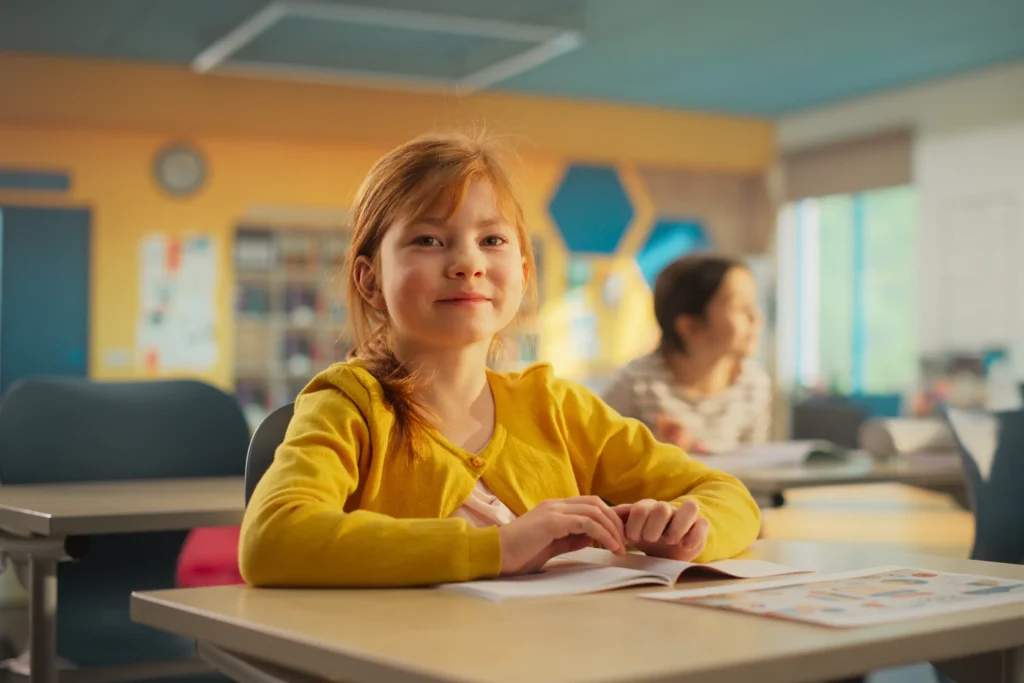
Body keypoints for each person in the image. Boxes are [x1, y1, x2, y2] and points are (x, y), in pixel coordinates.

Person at [239, 132, 760, 588]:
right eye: (428, 240)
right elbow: (272, 537)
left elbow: (728, 496)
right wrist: (497, 548)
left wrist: (687, 531)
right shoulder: (347, 408)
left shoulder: (557, 409)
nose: (467, 262)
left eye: (492, 239)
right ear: (370, 280)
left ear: (525, 272)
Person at [602, 254, 771, 454]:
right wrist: (654, 452)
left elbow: (754, 466)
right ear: (691, 327)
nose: (756, 317)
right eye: (740, 307)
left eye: (754, 304)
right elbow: (599, 462)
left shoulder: (753, 385)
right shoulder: (634, 385)